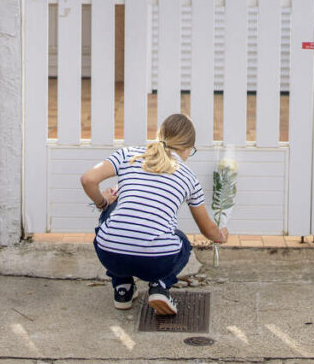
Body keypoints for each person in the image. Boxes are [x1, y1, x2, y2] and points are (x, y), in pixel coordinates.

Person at [80, 113, 229, 316]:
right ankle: (160, 285)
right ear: (187, 148)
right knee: (183, 243)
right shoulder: (189, 177)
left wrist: (103, 203)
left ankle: (122, 288)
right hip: (156, 259)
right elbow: (207, 229)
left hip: (109, 253)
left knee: (112, 211)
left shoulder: (129, 154)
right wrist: (220, 236)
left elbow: (88, 179)